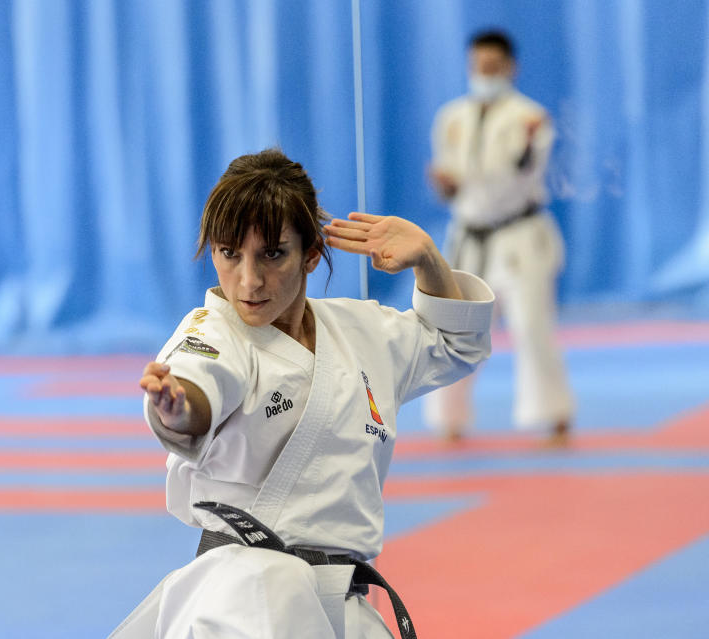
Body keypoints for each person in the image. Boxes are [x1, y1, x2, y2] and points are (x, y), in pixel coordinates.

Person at [109, 148, 494, 638]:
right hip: (243, 597)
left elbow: (457, 343)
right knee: (275, 583)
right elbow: (201, 383)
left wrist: (429, 260)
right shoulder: (215, 329)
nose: (248, 281)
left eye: (272, 254)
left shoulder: (364, 333)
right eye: (230, 253)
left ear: (311, 253)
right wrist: (178, 406)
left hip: (341, 599)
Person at [425, 29, 574, 444]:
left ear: (510, 67)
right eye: (478, 66)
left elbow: (517, 177)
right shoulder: (451, 117)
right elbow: (451, 185)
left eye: (493, 66)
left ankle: (553, 413)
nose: (484, 73)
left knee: (531, 325)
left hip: (518, 235)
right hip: (470, 237)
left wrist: (466, 182)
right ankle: (448, 419)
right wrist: (443, 185)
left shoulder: (531, 118)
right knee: (456, 327)